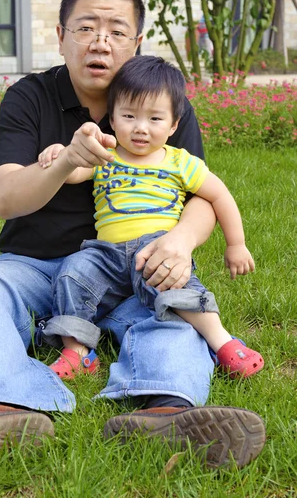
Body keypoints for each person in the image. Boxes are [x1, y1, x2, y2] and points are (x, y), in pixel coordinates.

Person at [0, 0, 265, 468]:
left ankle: (169, 413)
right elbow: (7, 198)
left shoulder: (162, 104)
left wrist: (180, 243)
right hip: (37, 266)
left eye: (116, 30)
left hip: (137, 267)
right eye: (86, 28)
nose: (100, 42)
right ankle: (0, 406)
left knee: (172, 315)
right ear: (61, 36)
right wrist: (65, 161)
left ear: (136, 42)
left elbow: (201, 194)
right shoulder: (30, 97)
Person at [37, 56, 264, 380]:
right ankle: (77, 352)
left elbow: (219, 195)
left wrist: (236, 244)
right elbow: (73, 173)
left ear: (174, 125)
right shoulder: (106, 156)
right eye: (129, 116)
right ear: (113, 119)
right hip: (106, 253)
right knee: (72, 273)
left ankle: (224, 343)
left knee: (176, 284)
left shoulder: (180, 162)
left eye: (155, 118)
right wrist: (60, 154)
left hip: (158, 246)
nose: (141, 127)